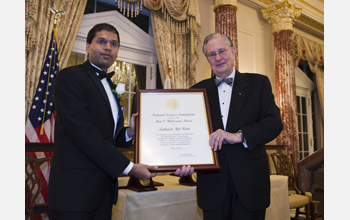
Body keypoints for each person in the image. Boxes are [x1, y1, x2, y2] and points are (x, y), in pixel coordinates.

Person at [48, 23, 191, 220]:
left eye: (114, 44)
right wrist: (130, 168)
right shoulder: (70, 77)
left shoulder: (111, 87)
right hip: (75, 193)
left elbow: (108, 137)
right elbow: (82, 132)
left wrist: (129, 133)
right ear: (87, 46)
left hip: (104, 192)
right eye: (102, 41)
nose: (108, 47)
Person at [190, 33, 283, 220]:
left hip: (250, 183)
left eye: (222, 51)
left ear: (233, 51)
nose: (218, 58)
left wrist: (239, 136)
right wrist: (185, 160)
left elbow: (274, 123)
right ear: (207, 59)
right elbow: (191, 134)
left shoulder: (259, 83)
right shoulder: (196, 91)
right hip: (212, 185)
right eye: (211, 54)